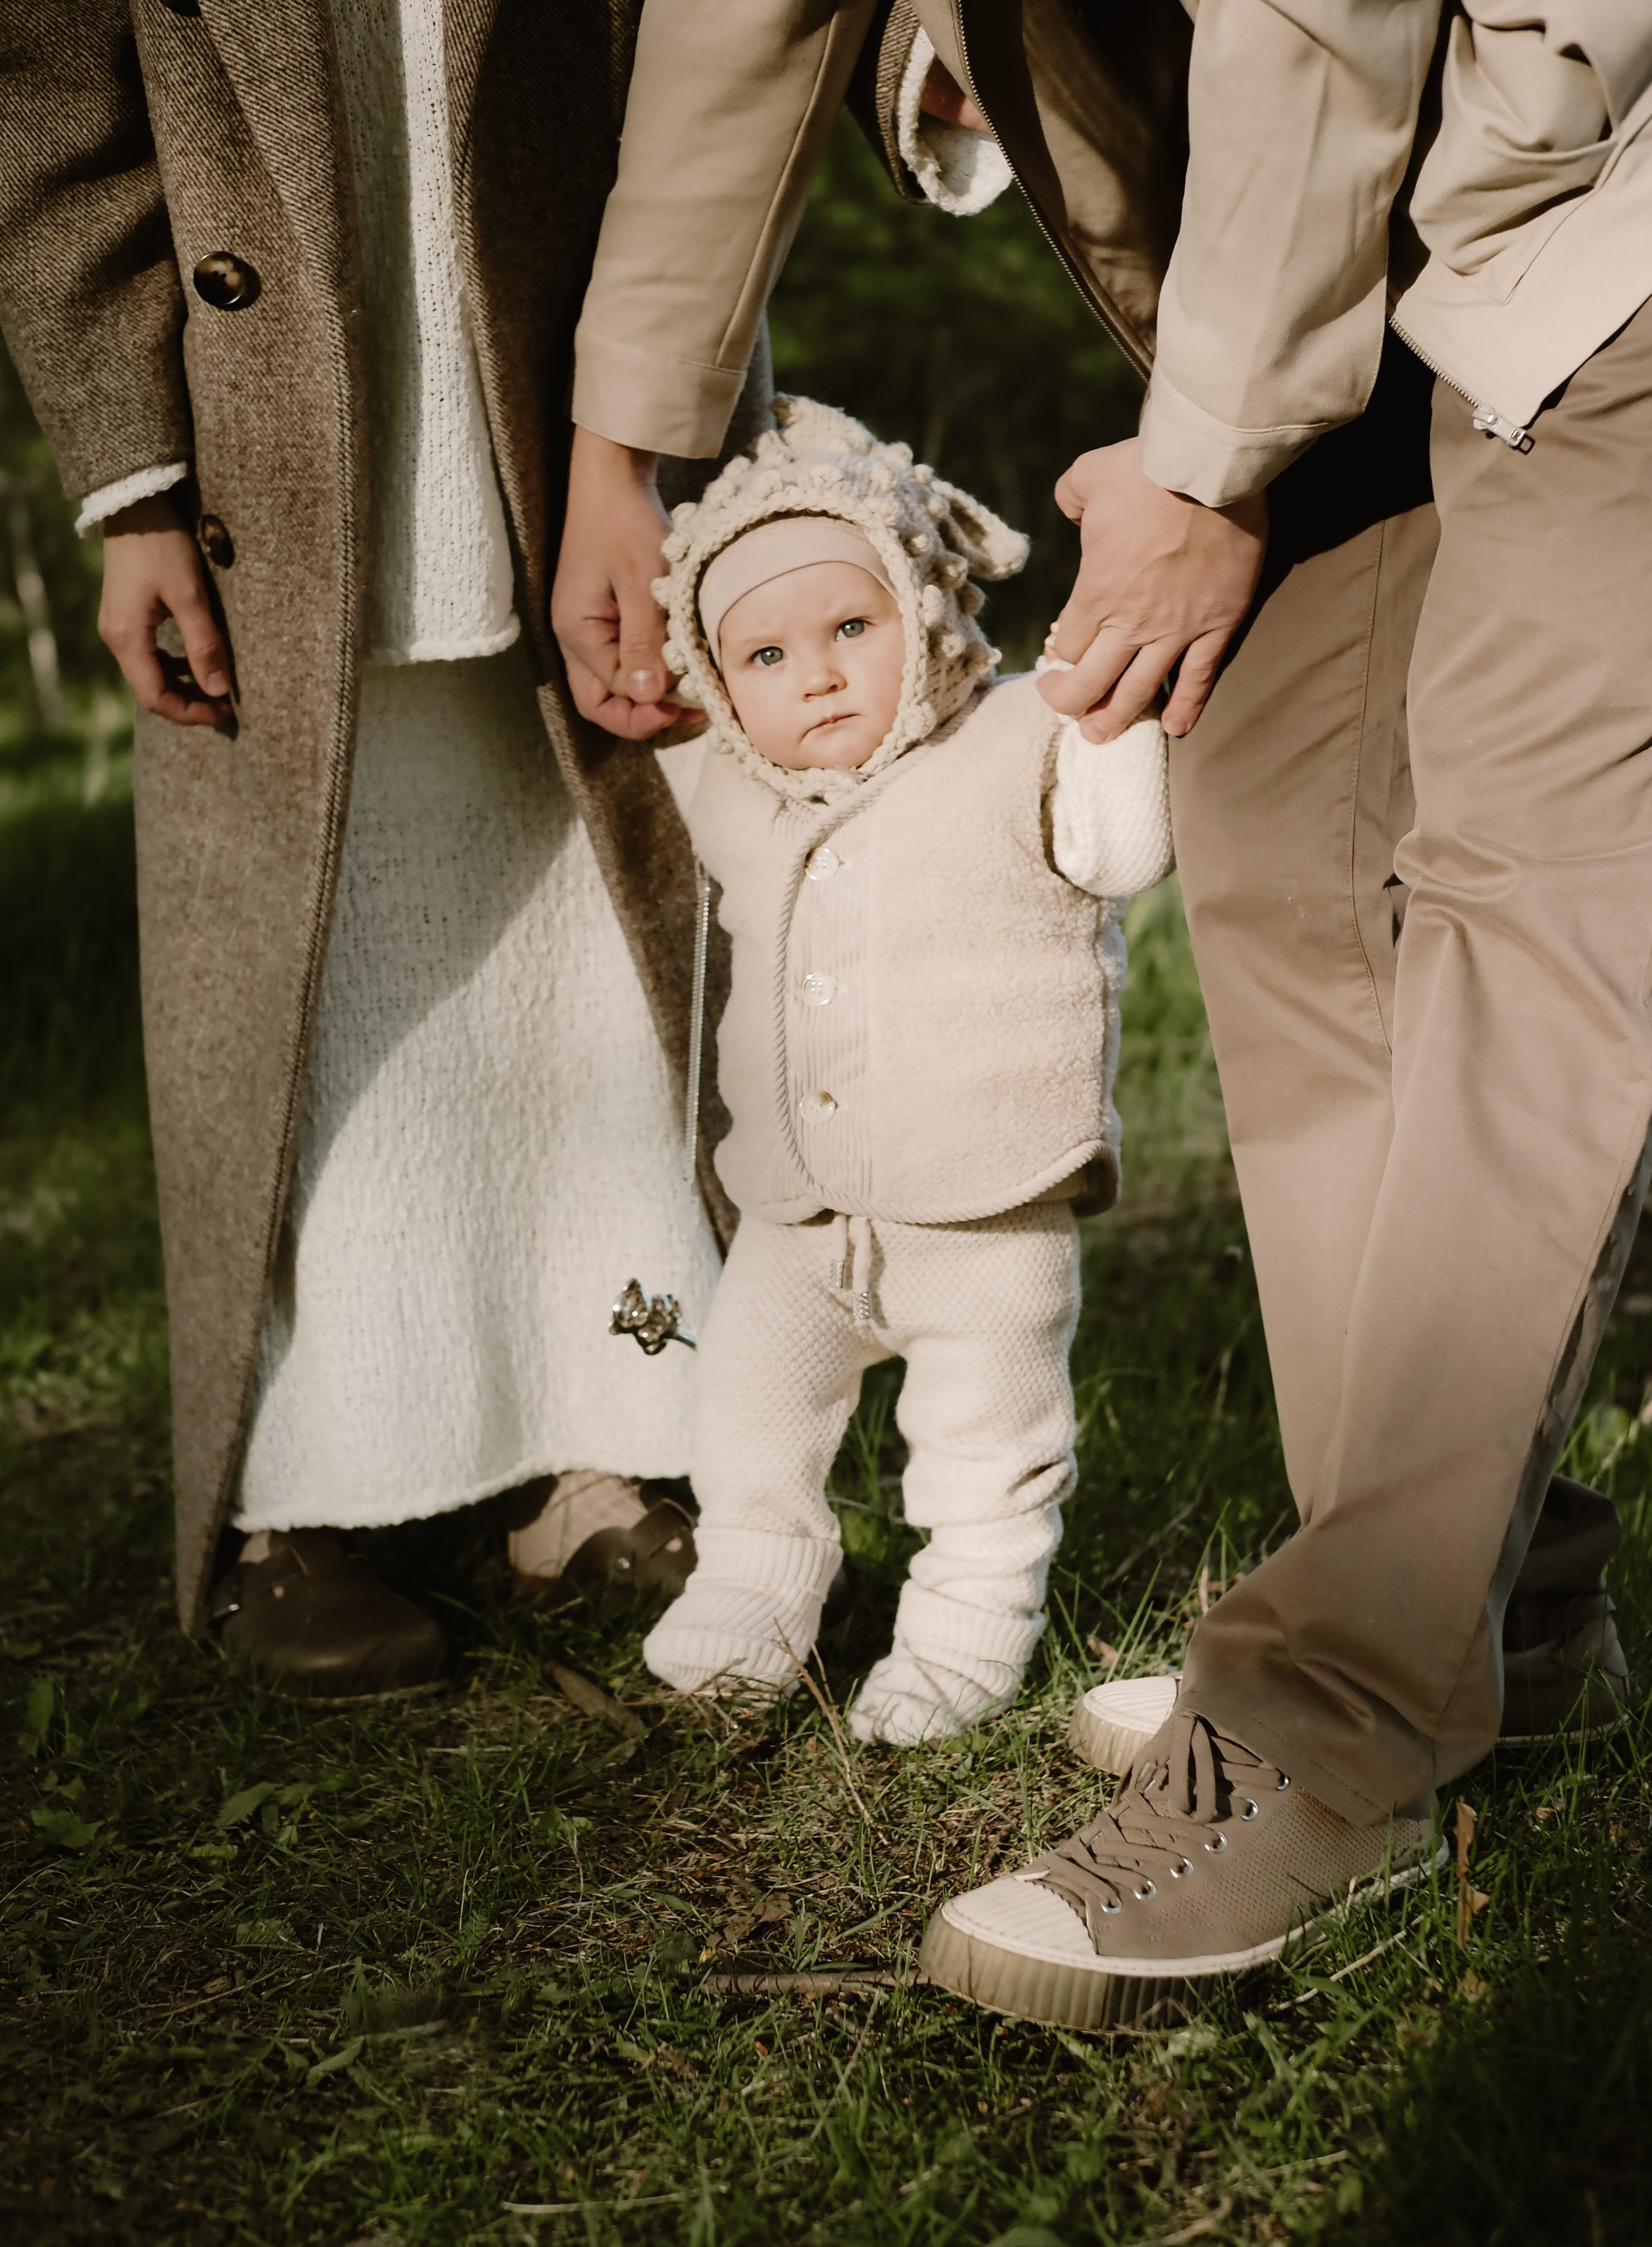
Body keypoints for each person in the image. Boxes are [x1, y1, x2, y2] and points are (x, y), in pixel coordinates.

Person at [555, 0, 1640, 2024]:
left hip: (1598, 216)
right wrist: (625, 451)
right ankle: (1499, 1602)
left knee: (1533, 894)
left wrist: (1208, 457)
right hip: (1347, 264)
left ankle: (1336, 1717)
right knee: (1281, 841)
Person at [0, 1, 771, 1700]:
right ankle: (304, 1490)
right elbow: (41, 91)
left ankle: (610, 1433)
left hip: (583, 385)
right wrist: (132, 483)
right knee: (310, 966)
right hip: (249, 433)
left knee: (585, 921)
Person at [635, 398, 1170, 1744]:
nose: (814, 676)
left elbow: (1122, 851)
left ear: (923, 615)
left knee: (985, 1447)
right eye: (765, 654)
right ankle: (752, 1591)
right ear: (718, 681)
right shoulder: (730, 784)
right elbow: (640, 733)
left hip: (983, 1205)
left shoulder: (1018, 733)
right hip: (794, 1214)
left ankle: (965, 1630)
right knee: (747, 1416)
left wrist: (1111, 711)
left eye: (851, 629)